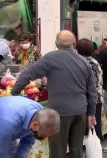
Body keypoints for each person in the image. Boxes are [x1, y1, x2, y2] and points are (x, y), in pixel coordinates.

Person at [11, 30, 97, 158]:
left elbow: (28, 74)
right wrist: (91, 113)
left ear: (56, 44)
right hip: (80, 112)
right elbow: (92, 90)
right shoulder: (84, 61)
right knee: (77, 150)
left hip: (59, 113)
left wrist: (14, 93)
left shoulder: (51, 58)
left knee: (58, 151)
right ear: (74, 43)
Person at [76, 38, 103, 138]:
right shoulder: (93, 61)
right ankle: (94, 149)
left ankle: (93, 151)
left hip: (90, 100)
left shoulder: (85, 63)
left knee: (91, 128)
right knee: (94, 127)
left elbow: (90, 85)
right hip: (97, 98)